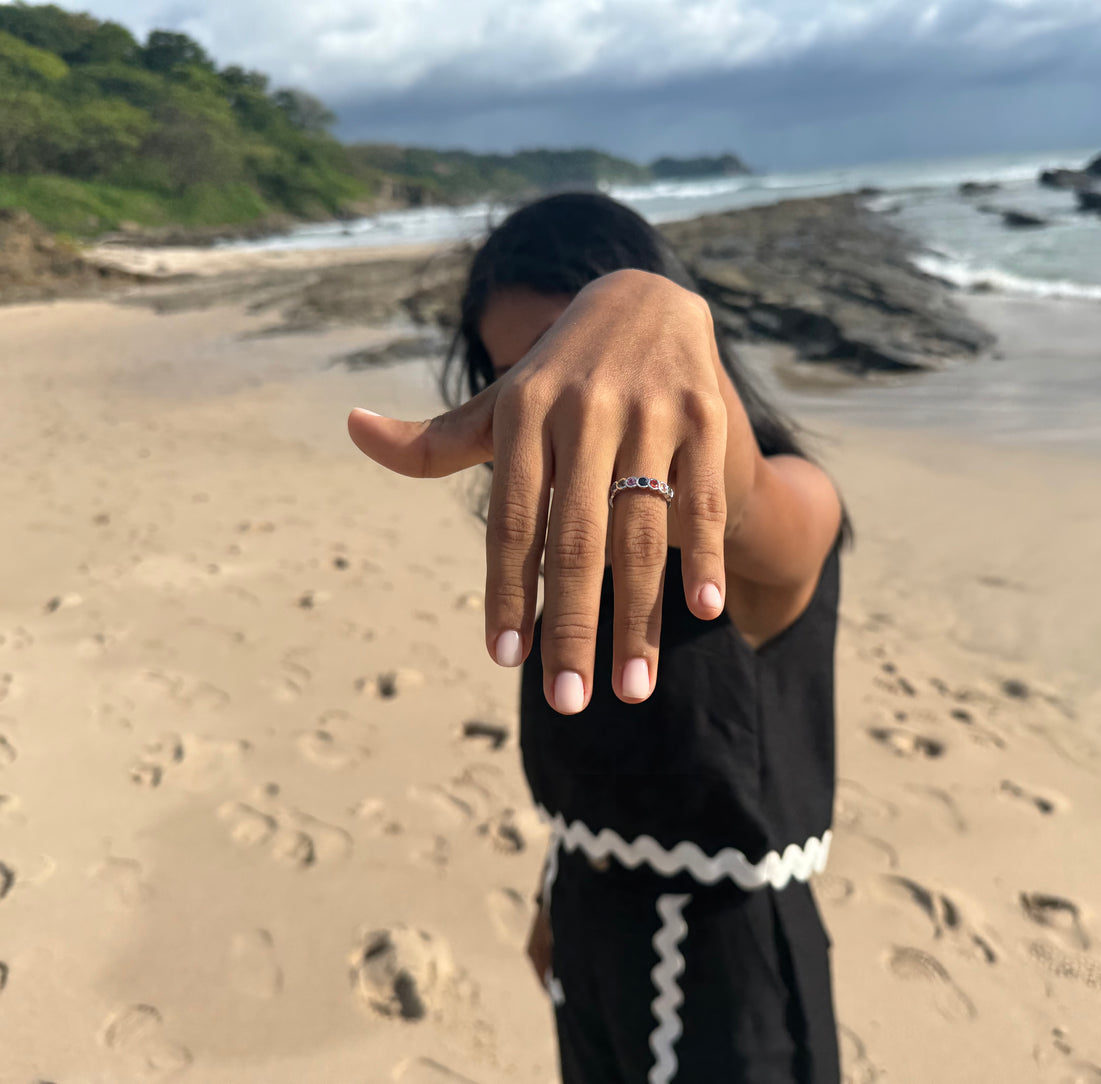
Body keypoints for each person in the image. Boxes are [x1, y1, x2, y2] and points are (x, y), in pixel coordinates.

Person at [348, 192, 847, 1084]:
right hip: (586, 936)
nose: (577, 414)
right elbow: (606, 768)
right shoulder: (570, 551)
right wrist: (556, 897)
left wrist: (646, 309)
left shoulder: (784, 505)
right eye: (527, 387)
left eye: (583, 365)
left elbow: (757, 514)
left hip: (735, 988)